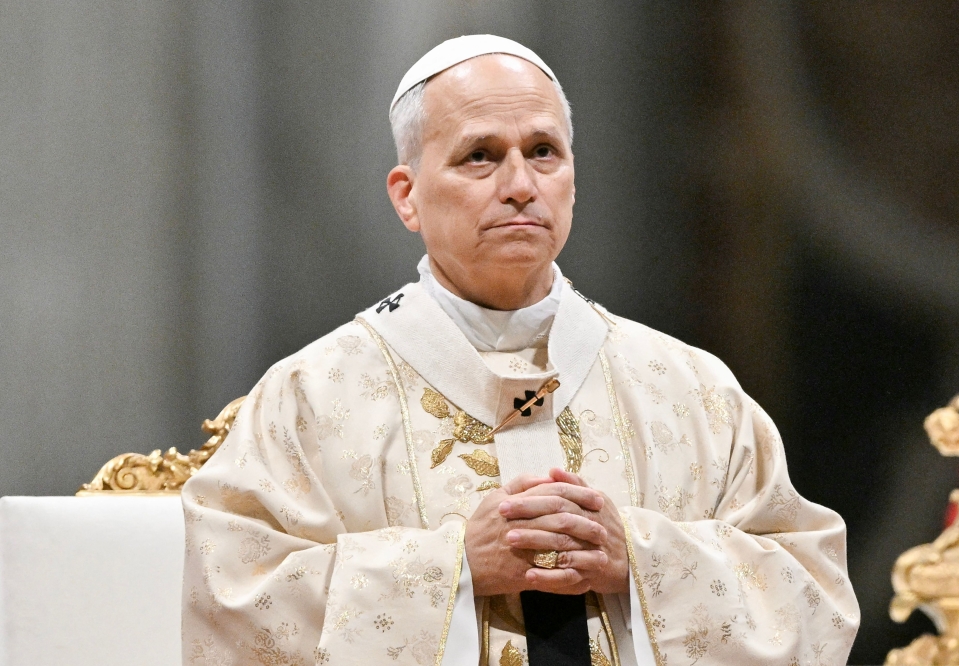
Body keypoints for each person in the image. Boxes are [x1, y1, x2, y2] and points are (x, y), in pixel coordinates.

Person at [181, 35, 859, 666]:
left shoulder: (689, 390)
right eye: (480, 155)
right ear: (407, 195)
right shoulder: (312, 398)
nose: (520, 185)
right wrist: (450, 568)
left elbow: (813, 595)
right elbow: (231, 606)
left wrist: (643, 560)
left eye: (543, 152)